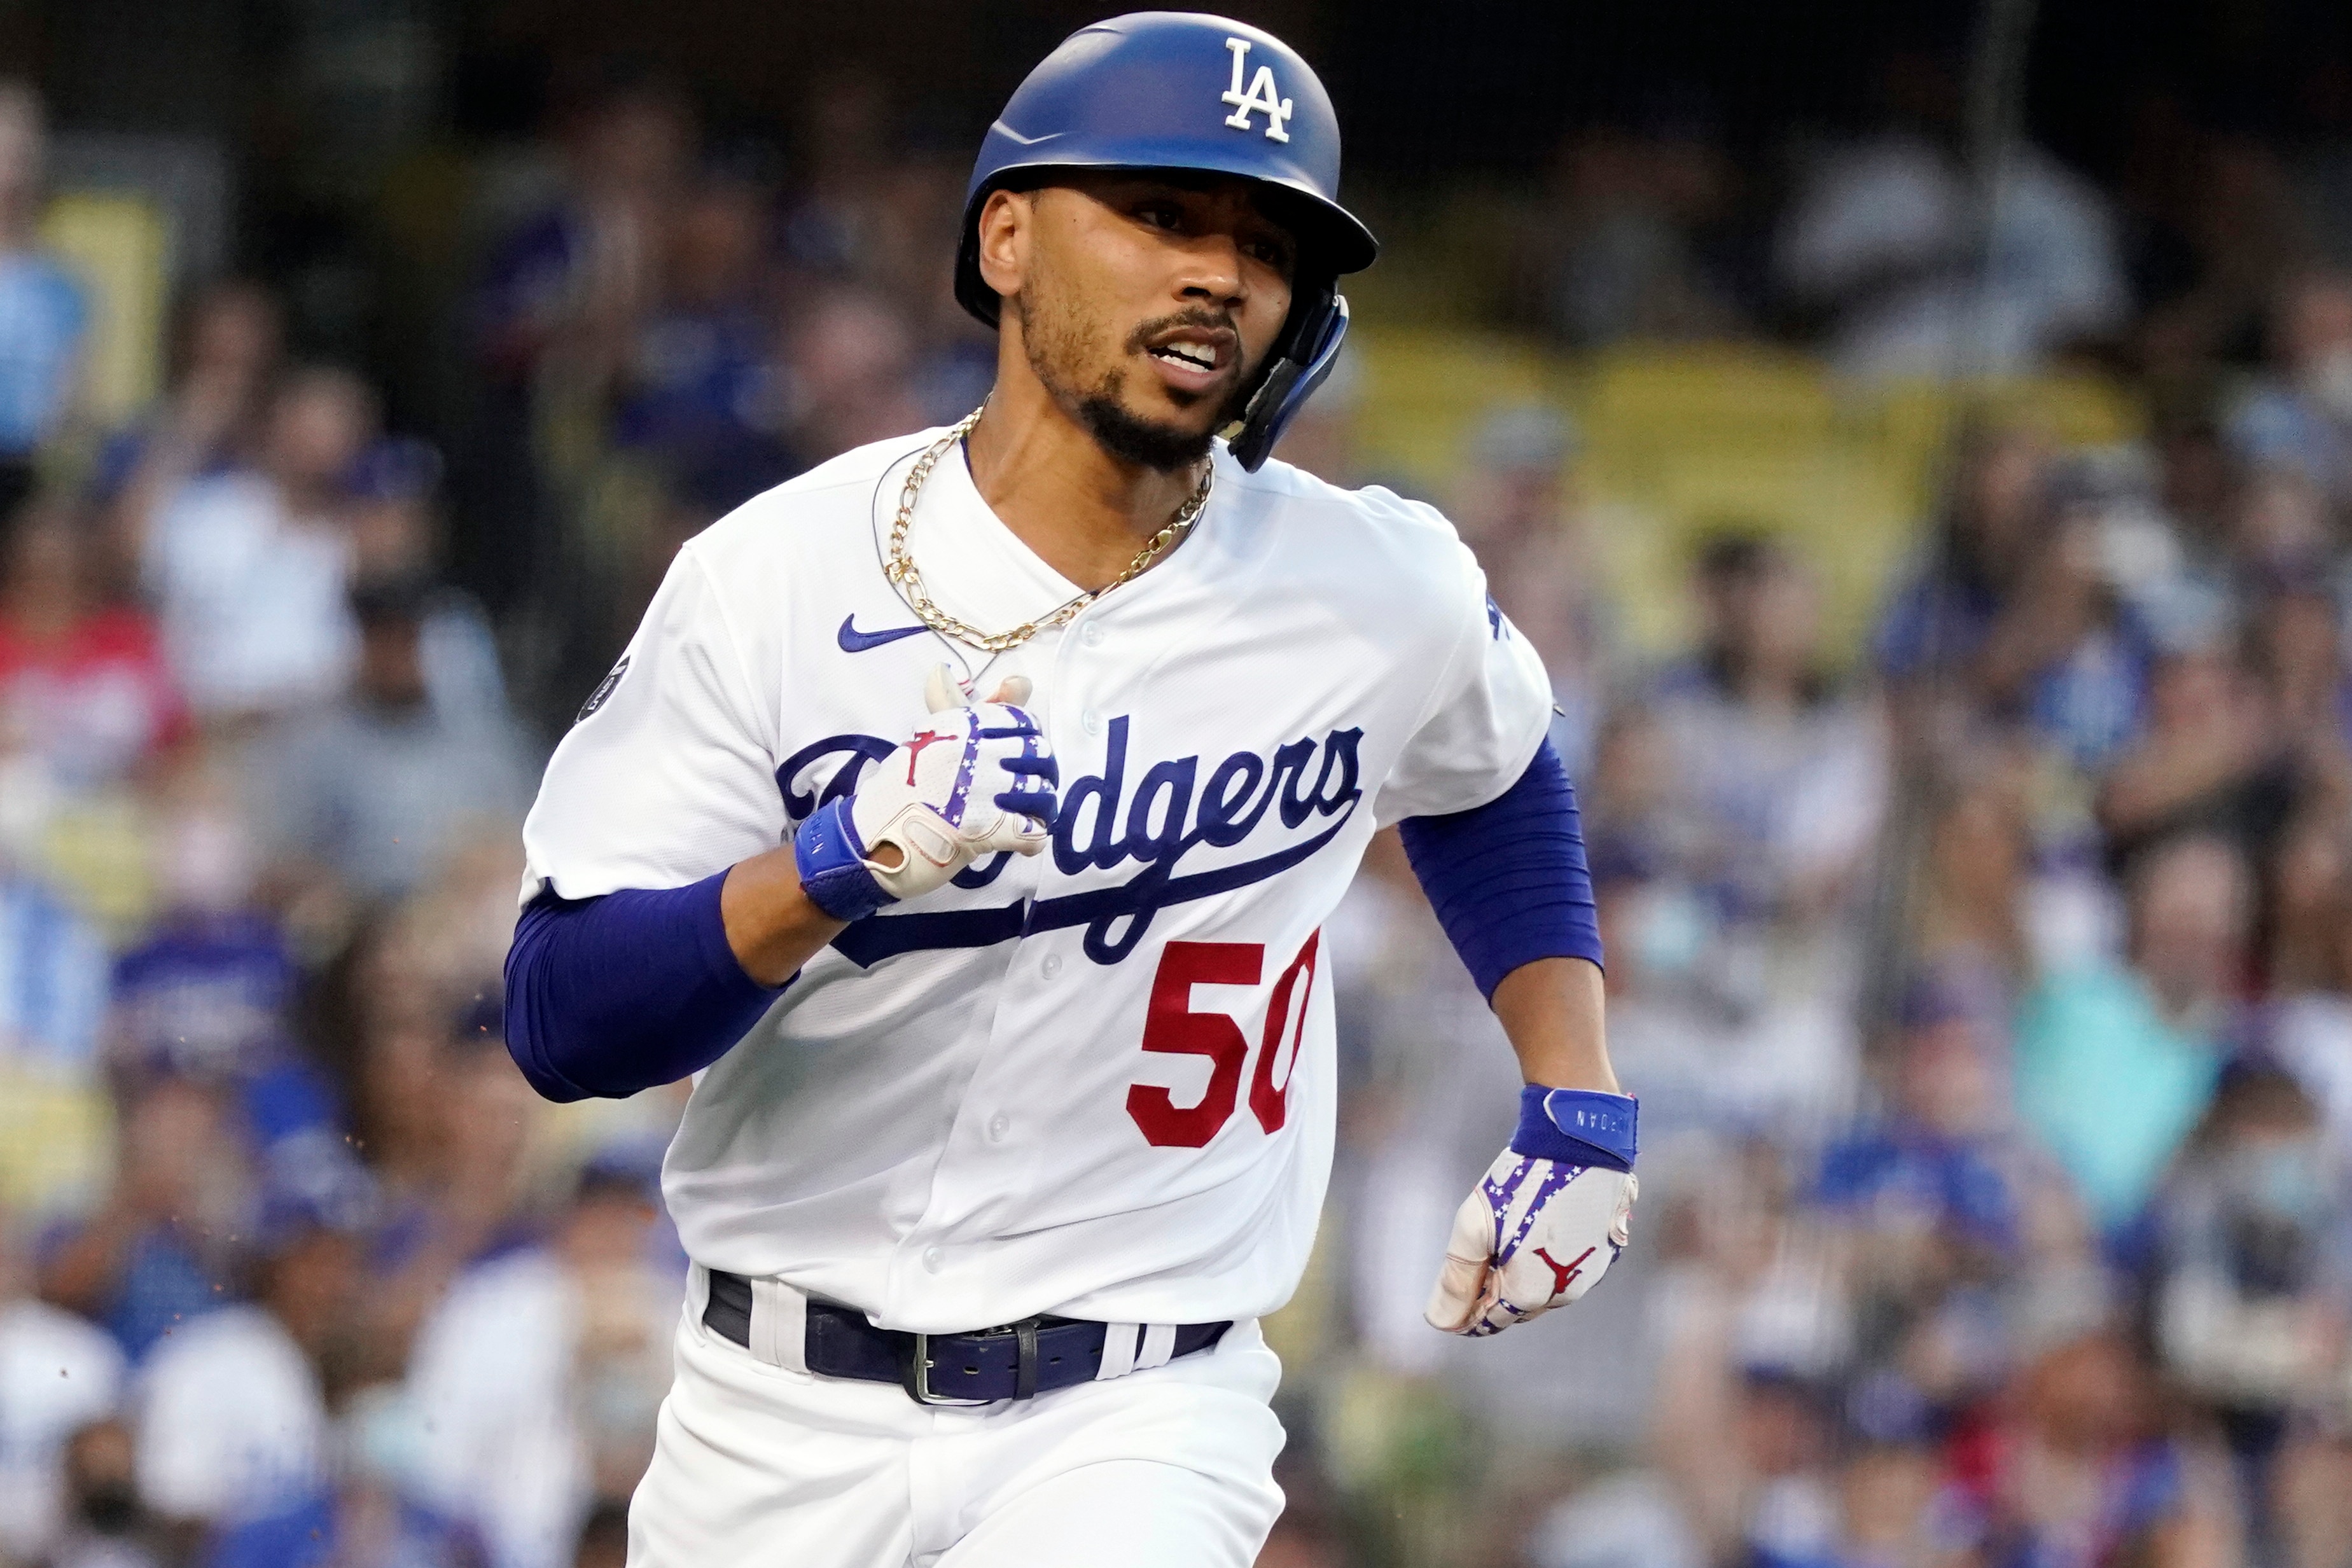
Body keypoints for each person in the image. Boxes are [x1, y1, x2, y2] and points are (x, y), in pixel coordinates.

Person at [502, 15, 1633, 1565]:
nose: (1221, 275)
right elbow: (564, 1020)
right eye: (1165, 215)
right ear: (1010, 236)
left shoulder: (1375, 582)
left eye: (1267, 243)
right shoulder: (770, 577)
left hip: (1139, 1412)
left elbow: (1492, 773)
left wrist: (1575, 1097)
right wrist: (826, 868)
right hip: (772, 1414)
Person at [0, 83, 87, 522]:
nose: (11, 171)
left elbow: (71, 396)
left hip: (26, 471)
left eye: (21, 154)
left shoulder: (61, 285)